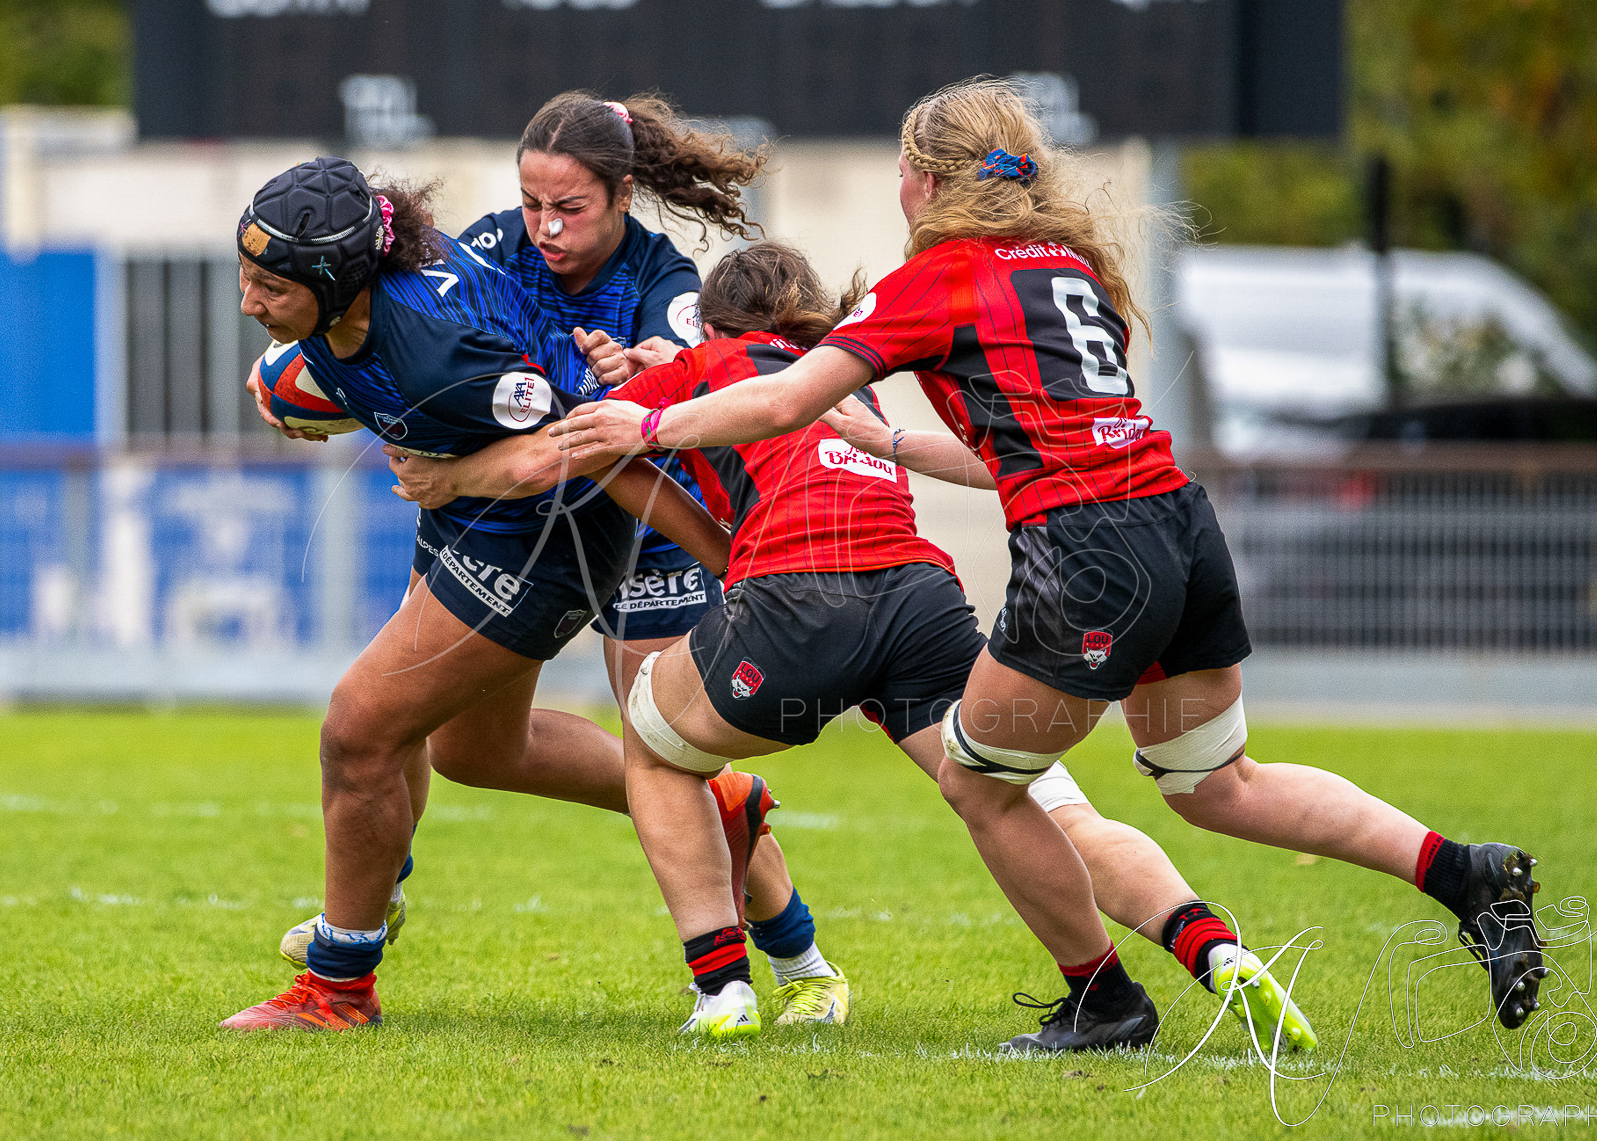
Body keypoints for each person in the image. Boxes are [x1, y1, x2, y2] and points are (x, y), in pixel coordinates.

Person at [547, 78, 1546, 1049]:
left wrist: (648, 423)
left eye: (902, 172)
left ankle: (1103, 1002)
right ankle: (1462, 873)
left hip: (1091, 560)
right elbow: (1022, 450)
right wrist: (888, 443)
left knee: (981, 786)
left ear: (927, 180)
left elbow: (777, 400)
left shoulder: (936, 277)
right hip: (1179, 528)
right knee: (1220, 784)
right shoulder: (1069, 265)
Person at [432, 241, 1316, 1050]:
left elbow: (571, 448)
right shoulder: (846, 382)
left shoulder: (703, 367)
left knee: (656, 748)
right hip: (919, 602)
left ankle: (724, 989)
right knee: (1038, 801)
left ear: (710, 325)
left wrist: (448, 476)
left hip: (801, 605)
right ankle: (1202, 945)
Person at [222, 156, 783, 1031]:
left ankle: (340, 985)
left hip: (544, 537)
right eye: (247, 276)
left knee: (359, 730)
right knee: (475, 750)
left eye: (271, 288)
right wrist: (310, 393)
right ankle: (712, 802)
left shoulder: (442, 348)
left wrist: (729, 557)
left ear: (336, 283)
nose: (249, 302)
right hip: (474, 510)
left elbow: (591, 443)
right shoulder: (355, 305)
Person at [375, 91, 850, 1021]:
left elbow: (695, 390)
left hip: (646, 531)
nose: (545, 227)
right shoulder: (490, 248)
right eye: (531, 203)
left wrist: (644, 371)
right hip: (517, 523)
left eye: (570, 208)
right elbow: (412, 328)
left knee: (663, 755)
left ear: (623, 196)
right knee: (462, 746)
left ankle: (801, 967)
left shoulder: (664, 284)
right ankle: (385, 876)